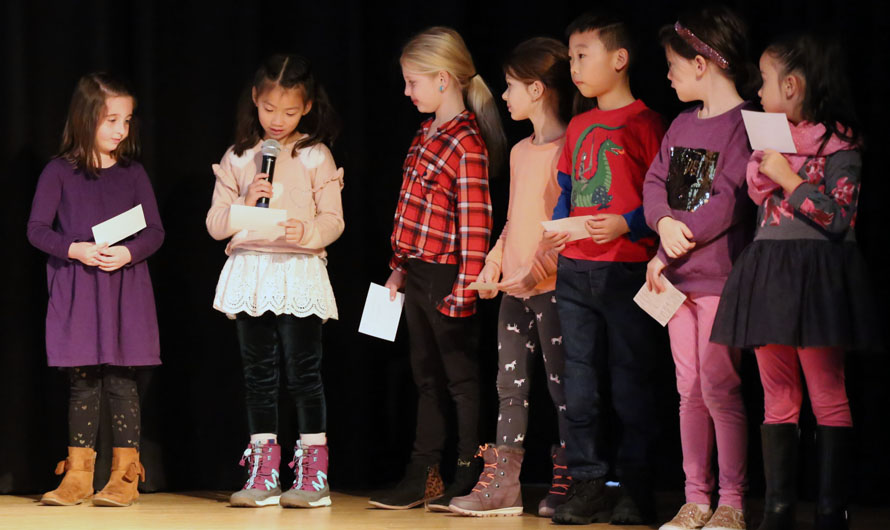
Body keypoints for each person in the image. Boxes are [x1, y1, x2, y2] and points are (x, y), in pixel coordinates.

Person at [711, 33, 882, 530]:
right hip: (769, 275)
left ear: (792, 84)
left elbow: (838, 218)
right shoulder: (769, 143)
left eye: (764, 81)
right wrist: (773, 169)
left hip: (818, 277)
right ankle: (779, 509)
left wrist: (788, 176)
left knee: (827, 392)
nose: (758, 91)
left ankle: (830, 511)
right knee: (777, 396)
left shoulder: (841, 145)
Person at [368, 26, 506, 512]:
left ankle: (468, 473)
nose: (407, 92)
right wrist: (398, 269)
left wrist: (466, 286)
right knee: (425, 378)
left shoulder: (466, 142)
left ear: (444, 79)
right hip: (419, 273)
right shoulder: (425, 133)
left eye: (413, 82)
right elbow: (410, 211)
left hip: (451, 276)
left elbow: (476, 224)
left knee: (461, 381)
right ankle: (423, 473)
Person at [206, 53, 343, 509]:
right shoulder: (240, 157)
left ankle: (313, 472)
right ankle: (263, 471)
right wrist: (246, 197)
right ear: (254, 101)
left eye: (288, 111)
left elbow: (333, 220)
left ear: (306, 106)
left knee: (303, 372)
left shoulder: (315, 155)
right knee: (258, 374)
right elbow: (215, 223)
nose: (277, 120)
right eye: (269, 110)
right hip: (252, 269)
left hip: (297, 270)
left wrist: (308, 232)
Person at [548, 10, 667, 526]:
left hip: (625, 270)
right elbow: (569, 194)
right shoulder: (578, 125)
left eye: (583, 55)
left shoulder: (646, 122)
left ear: (619, 60)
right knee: (578, 387)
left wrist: (627, 223)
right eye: (570, 56)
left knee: (630, 384)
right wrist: (556, 230)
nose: (574, 66)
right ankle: (588, 481)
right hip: (575, 270)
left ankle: (635, 487)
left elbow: (663, 201)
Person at [643, 6, 760, 530]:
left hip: (718, 278)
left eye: (674, 63)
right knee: (688, 388)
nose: (667, 75)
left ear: (703, 63)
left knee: (720, 386)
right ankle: (696, 497)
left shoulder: (746, 124)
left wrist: (668, 248)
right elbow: (654, 184)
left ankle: (732, 501)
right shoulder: (681, 124)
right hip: (677, 281)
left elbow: (729, 200)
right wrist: (663, 222)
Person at [447, 36, 574, 518]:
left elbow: (563, 226)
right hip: (514, 292)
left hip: (553, 289)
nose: (504, 95)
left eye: (511, 86)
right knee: (509, 387)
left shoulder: (571, 146)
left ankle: (569, 475)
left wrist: (536, 270)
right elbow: (513, 221)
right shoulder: (521, 151)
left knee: (563, 388)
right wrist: (492, 266)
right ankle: (503, 485)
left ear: (538, 90)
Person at [28, 73, 164, 507]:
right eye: (111, 119)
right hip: (80, 290)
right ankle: (78, 475)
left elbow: (156, 232)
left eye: (126, 120)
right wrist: (75, 248)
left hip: (124, 290)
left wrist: (128, 254)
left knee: (123, 382)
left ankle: (124, 477)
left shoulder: (133, 173)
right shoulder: (59, 172)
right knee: (83, 383)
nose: (121, 130)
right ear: (86, 118)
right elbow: (36, 230)